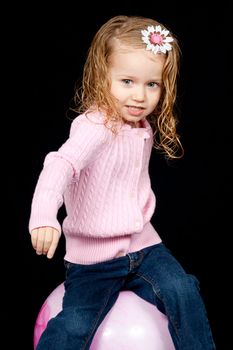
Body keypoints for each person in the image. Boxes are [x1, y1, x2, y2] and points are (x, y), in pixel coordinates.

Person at [29, 15, 216, 350]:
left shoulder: (143, 126)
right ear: (104, 76)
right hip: (95, 260)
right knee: (74, 325)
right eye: (127, 81)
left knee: (183, 290)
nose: (139, 96)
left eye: (151, 84)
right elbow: (60, 165)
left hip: (145, 248)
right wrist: (44, 217)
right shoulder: (95, 126)